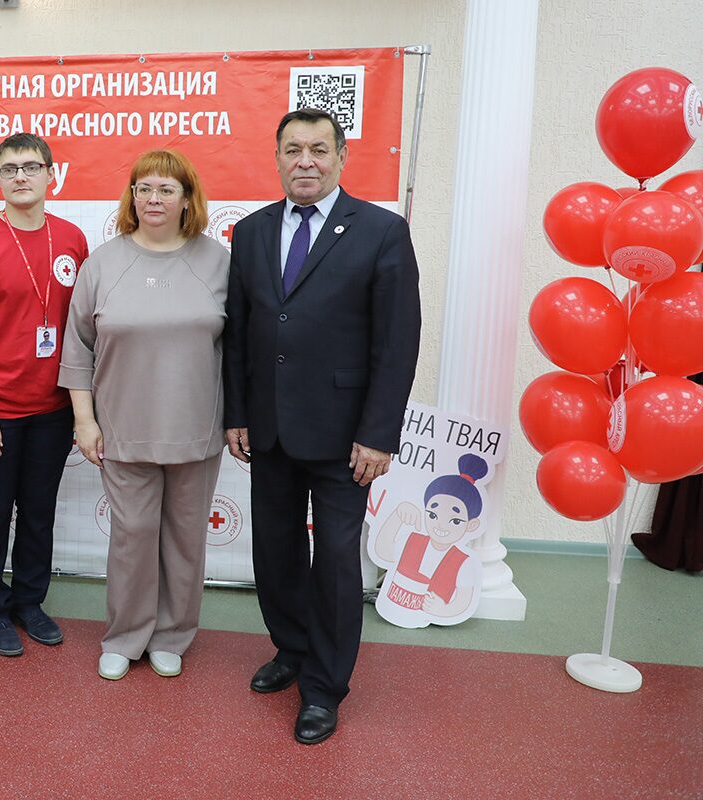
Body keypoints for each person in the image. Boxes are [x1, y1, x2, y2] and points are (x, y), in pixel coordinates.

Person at [222, 108, 421, 744]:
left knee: (335, 560)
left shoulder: (382, 231)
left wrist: (379, 434)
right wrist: (236, 412)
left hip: (346, 437)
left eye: (317, 149)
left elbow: (397, 342)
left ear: (341, 157)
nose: (304, 160)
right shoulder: (251, 231)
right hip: (269, 429)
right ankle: (292, 648)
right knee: (275, 550)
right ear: (277, 157)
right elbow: (239, 333)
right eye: (292, 149)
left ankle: (325, 687)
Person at [59, 150, 228, 680]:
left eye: (166, 189)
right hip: (122, 429)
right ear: (132, 197)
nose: (154, 199)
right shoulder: (103, 263)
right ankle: (125, 635)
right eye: (144, 188)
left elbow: (241, 348)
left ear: (187, 199)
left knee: (185, 538)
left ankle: (172, 634)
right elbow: (77, 348)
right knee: (132, 538)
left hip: (196, 430)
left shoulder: (218, 262)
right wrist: (84, 420)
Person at [0, 133, 88, 657]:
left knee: (38, 512)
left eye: (31, 167)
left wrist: (81, 409)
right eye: (10, 169)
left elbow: (80, 329)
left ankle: (29, 601)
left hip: (52, 409)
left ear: (51, 174)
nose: (21, 176)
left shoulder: (71, 238)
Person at [373, 454, 488, 628]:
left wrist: (444, 609)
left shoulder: (464, 562)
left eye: (455, 520)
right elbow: (383, 551)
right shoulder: (411, 540)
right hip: (392, 609)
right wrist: (397, 516)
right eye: (433, 515)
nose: (441, 525)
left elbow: (463, 602)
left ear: (471, 525)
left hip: (425, 617)